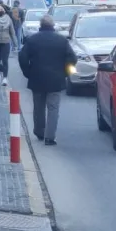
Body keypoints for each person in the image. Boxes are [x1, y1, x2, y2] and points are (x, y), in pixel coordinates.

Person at [18, 15, 76, 146]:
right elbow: (72, 58)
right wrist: (66, 73)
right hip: (56, 79)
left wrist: (27, 72)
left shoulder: (32, 40)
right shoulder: (62, 40)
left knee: (38, 107)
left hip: (37, 78)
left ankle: (39, 131)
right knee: (53, 108)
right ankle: (50, 137)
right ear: (53, 25)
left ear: (40, 25)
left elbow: (22, 57)